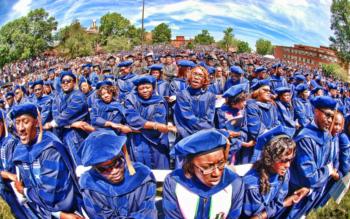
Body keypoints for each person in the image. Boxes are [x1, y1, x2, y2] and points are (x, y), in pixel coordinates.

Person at [10, 103, 84, 218]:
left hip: (67, 211)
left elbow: (50, 197)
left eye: (25, 122)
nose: (20, 128)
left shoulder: (49, 149)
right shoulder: (19, 151)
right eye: (17, 122)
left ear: (35, 122)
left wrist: (24, 191)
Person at [163, 129, 244, 219]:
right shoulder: (174, 183)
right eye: (207, 167)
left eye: (221, 163)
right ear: (190, 166)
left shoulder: (234, 183)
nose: (216, 173)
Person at [78, 132, 157, 219]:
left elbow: (148, 213)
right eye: (104, 169)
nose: (114, 171)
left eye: (117, 163)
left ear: (123, 155)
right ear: (95, 168)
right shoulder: (89, 184)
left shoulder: (142, 174)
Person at [287, 96, 340, 218]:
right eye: (327, 115)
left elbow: (328, 163)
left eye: (332, 117)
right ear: (316, 111)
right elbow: (310, 177)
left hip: (311, 193)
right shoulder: (305, 138)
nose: (330, 120)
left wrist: (327, 170)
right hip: (296, 193)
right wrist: (327, 171)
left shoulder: (325, 135)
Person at [242, 127, 309, 219]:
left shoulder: (283, 175)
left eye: (290, 160)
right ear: (270, 158)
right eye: (284, 160)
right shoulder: (253, 187)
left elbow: (277, 203)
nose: (288, 165)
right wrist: (284, 203)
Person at [43, 70, 93, 168]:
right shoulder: (60, 97)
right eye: (63, 81)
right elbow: (56, 114)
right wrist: (69, 124)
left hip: (77, 135)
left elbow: (66, 115)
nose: (65, 83)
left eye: (68, 81)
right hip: (64, 135)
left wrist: (51, 124)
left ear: (74, 82)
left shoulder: (78, 96)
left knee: (82, 166)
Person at [125, 75, 176, 169]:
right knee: (140, 169)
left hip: (156, 139)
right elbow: (133, 119)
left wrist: (132, 129)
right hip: (138, 141)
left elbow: (159, 120)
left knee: (159, 167)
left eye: (147, 87)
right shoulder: (131, 99)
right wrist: (156, 125)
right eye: (141, 88)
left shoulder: (159, 101)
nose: (144, 91)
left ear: (153, 87)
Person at [0, 110, 29, 219]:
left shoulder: (10, 142)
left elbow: (13, 170)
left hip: (17, 187)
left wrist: (7, 174)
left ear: (2, 124)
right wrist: (5, 174)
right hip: (6, 187)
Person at [215, 83, 254, 164]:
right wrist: (242, 143)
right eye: (242, 101)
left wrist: (239, 134)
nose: (245, 103)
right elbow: (222, 133)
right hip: (229, 148)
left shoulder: (243, 110)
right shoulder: (221, 112)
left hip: (242, 148)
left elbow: (245, 128)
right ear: (234, 102)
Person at [173, 66, 216, 139]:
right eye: (194, 74)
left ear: (204, 80)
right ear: (190, 76)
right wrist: (208, 129)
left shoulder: (210, 96)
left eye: (200, 75)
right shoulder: (182, 95)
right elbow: (188, 119)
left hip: (205, 135)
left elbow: (209, 119)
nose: (196, 77)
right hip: (186, 136)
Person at [244, 79, 280, 164]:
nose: (268, 92)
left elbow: (276, 123)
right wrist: (273, 137)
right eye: (265, 90)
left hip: (271, 143)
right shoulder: (251, 106)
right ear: (257, 92)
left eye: (269, 91)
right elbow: (255, 128)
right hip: (257, 145)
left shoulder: (271, 106)